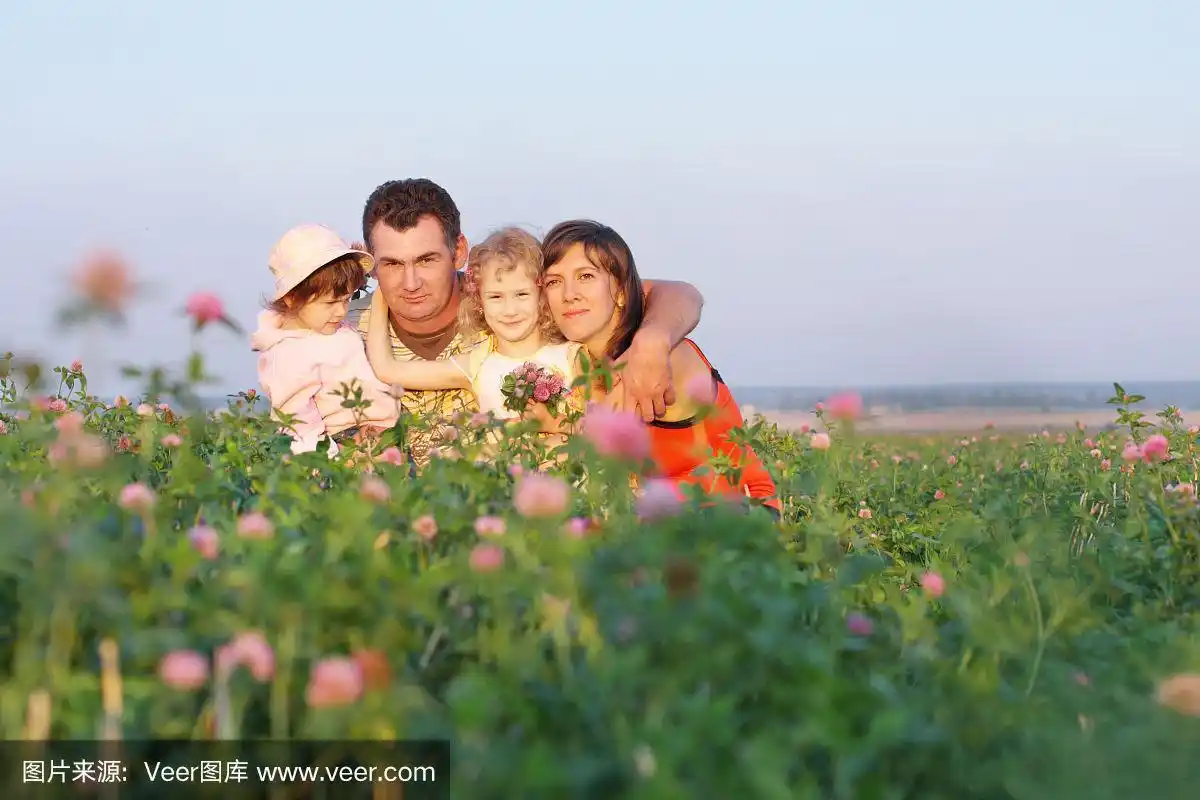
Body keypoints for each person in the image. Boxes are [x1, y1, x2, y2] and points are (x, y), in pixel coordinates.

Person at [346, 178, 706, 466]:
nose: (410, 283)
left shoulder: (511, 293)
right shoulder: (340, 329)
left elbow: (668, 293)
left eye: (425, 260)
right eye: (391, 264)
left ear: (459, 251)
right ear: (373, 263)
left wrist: (652, 339)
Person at [539, 219, 782, 518]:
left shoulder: (664, 355)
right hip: (658, 522)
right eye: (553, 281)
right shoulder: (574, 365)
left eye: (586, 276)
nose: (569, 294)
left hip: (734, 514)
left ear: (621, 292)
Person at [364, 226, 582, 437]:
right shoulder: (478, 364)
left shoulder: (571, 355)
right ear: (479, 300)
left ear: (542, 294)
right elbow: (387, 370)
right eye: (496, 297)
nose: (510, 310)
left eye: (522, 295)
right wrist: (382, 294)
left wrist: (553, 424)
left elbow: (603, 430)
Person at [251, 224, 400, 456]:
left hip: (381, 432)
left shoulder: (328, 329)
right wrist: (330, 459)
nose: (341, 311)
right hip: (347, 442)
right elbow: (296, 419)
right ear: (291, 298)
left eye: (347, 299)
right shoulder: (289, 351)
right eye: (330, 303)